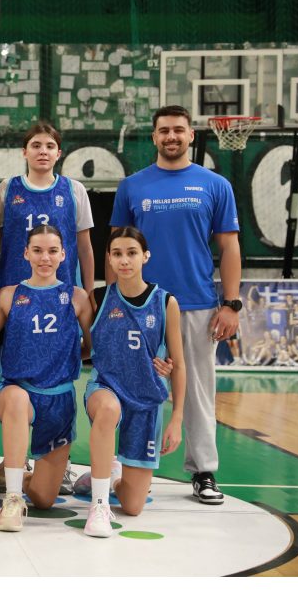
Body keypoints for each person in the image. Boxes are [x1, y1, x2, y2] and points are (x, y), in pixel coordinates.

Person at [109, 104, 241, 505]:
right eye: (164, 130)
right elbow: (118, 247)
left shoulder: (215, 185)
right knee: (133, 386)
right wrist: (114, 302)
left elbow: (229, 246)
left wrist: (231, 303)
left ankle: (203, 470)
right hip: (141, 304)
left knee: (198, 389)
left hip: (196, 303)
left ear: (190, 135)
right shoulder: (132, 186)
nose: (171, 136)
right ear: (154, 137)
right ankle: (130, 465)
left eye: (178, 130)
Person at [73, 227, 186, 538]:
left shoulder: (165, 302)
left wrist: (177, 419)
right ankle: (98, 505)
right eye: (117, 254)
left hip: (146, 399)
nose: (124, 260)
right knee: (108, 409)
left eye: (132, 253)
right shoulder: (98, 298)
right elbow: (87, 348)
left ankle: (109, 477)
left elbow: (179, 364)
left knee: (133, 506)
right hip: (106, 387)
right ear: (109, 259)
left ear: (145, 256)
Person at [0, 225, 93, 532]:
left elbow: (92, 348)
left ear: (63, 255)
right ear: (26, 253)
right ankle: (13, 498)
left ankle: (8, 476)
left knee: (44, 499)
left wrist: (63, 356)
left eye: (52, 251)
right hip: (17, 389)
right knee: (17, 398)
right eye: (38, 251)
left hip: (59, 399)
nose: (45, 258)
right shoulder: (9, 296)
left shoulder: (77, 298)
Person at [0, 121, 95, 298]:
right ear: (24, 152)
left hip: (62, 290)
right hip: (16, 287)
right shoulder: (7, 188)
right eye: (36, 145)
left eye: (50, 146)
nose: (43, 151)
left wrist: (90, 293)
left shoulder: (74, 190)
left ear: (58, 154)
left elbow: (85, 249)